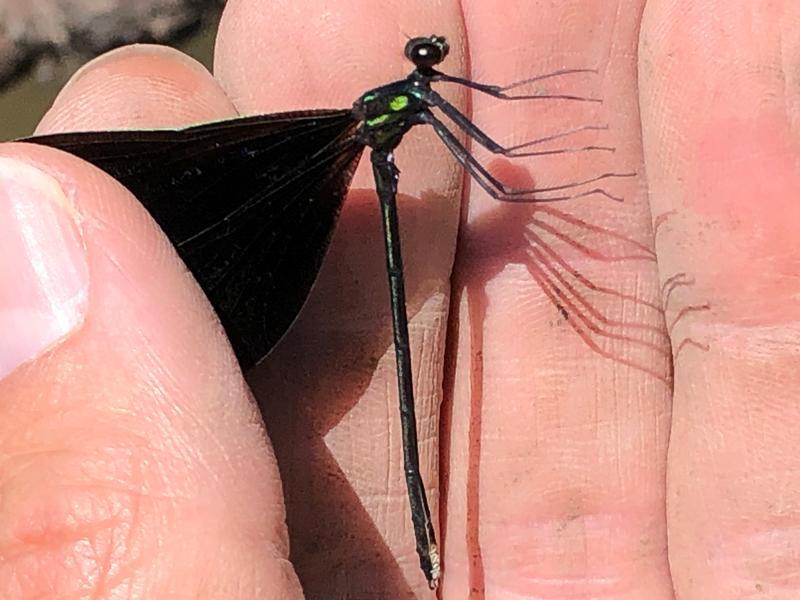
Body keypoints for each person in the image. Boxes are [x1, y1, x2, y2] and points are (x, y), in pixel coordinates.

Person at [1, 2, 798, 598]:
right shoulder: (403, 105)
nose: (432, 60)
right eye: (427, 58)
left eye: (430, 58)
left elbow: (487, 160)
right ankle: (425, 541)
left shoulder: (414, 98)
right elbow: (489, 168)